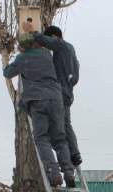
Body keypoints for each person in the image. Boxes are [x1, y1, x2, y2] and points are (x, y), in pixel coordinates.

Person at [3, 33, 76, 187]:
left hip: (37, 101)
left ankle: (54, 173)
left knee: (42, 138)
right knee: (60, 138)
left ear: (22, 47)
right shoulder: (46, 54)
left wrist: (6, 57)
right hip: (56, 99)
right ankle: (69, 172)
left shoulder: (22, 58)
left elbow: (8, 73)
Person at [25, 23, 82, 166]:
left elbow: (48, 42)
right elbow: (74, 77)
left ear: (55, 37)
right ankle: (74, 154)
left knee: (56, 129)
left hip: (59, 93)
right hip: (68, 92)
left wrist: (33, 32)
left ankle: (63, 159)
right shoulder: (71, 51)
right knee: (66, 124)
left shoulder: (61, 46)